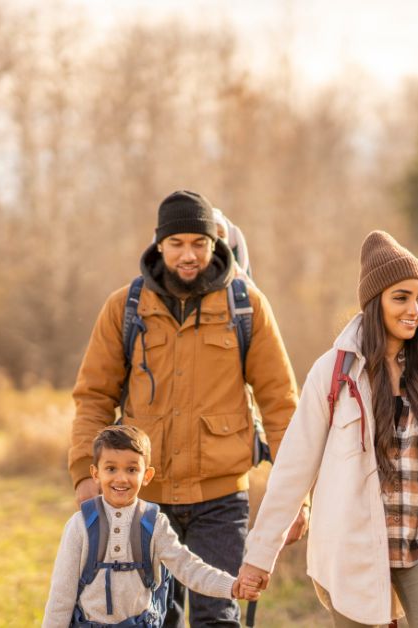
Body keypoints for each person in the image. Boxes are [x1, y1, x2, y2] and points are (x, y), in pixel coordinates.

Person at [69, 190, 308, 627]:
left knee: (217, 614)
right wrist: (86, 473)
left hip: (220, 499)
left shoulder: (246, 306)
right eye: (177, 243)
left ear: (214, 244)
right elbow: (94, 397)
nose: (188, 254)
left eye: (199, 243)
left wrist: (295, 496)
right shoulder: (124, 308)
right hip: (144, 497)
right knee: (152, 617)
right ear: (159, 243)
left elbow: (281, 403)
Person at [238, 231, 418, 627]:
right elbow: (293, 469)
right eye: (401, 297)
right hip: (353, 549)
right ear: (376, 303)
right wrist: (259, 556)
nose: (415, 309)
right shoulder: (334, 372)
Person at [43, 425, 262, 627]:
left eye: (131, 470)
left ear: (146, 475)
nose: (121, 479)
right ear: (95, 473)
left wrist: (231, 586)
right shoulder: (80, 525)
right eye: (110, 469)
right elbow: (62, 594)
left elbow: (188, 567)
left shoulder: (154, 523)